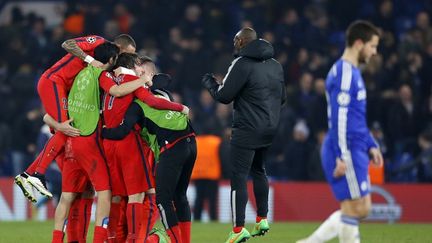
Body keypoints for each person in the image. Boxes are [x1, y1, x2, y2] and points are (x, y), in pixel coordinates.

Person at [15, 34, 136, 202]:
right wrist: (89, 59)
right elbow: (67, 43)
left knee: (64, 131)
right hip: (54, 81)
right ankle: (37, 174)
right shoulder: (99, 43)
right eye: (127, 53)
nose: (127, 57)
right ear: (120, 47)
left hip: (63, 88)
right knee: (66, 129)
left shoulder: (106, 66)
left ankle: (29, 174)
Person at [297, 20, 384, 243]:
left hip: (353, 145)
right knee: (355, 208)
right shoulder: (345, 73)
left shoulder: (350, 72)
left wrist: (370, 144)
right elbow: (339, 119)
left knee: (360, 208)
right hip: (346, 147)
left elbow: (356, 119)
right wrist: (340, 155)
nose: (374, 52)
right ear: (358, 43)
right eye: (372, 46)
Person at [202, 27, 286, 243]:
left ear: (241, 41)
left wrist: (211, 84)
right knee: (259, 170)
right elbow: (282, 98)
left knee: (238, 177)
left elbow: (224, 96)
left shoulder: (242, 63)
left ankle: (238, 229)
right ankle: (262, 218)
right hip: (270, 128)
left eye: (235, 40)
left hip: (247, 128)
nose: (233, 44)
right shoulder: (275, 65)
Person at [101, 53, 188, 242]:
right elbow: (152, 101)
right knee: (137, 195)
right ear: (133, 65)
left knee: (116, 195)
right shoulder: (134, 80)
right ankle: (134, 238)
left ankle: (111, 237)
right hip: (128, 142)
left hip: (108, 143)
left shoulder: (107, 81)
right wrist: (180, 107)